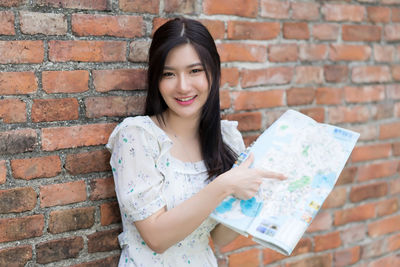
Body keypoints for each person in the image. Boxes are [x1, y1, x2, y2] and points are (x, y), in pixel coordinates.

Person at [106, 17, 285, 266]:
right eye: (169, 74)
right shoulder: (137, 136)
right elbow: (156, 237)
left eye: (194, 71)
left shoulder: (225, 139)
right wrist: (226, 185)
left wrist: (259, 193)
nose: (183, 86)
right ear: (156, 79)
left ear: (214, 72)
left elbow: (221, 237)